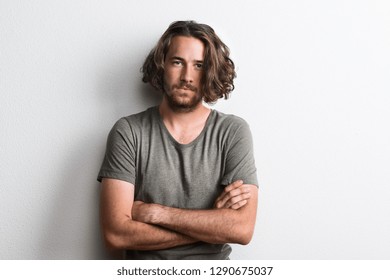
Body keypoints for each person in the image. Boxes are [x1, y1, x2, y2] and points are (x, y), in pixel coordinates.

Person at [97, 20, 258, 260]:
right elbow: (116, 235)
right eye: (177, 62)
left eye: (199, 65)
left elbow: (242, 229)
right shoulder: (128, 132)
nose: (187, 77)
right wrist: (212, 224)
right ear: (161, 66)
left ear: (211, 70)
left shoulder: (233, 132)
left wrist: (156, 213)